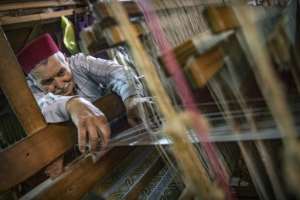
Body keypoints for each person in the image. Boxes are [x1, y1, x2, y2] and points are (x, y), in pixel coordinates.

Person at [17, 33, 146, 177]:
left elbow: (117, 72)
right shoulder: (30, 94)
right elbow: (44, 105)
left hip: (121, 137)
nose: (60, 85)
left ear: (66, 60)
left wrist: (132, 99)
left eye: (61, 72)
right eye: (48, 82)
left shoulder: (79, 63)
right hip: (86, 159)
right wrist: (73, 104)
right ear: (34, 83)